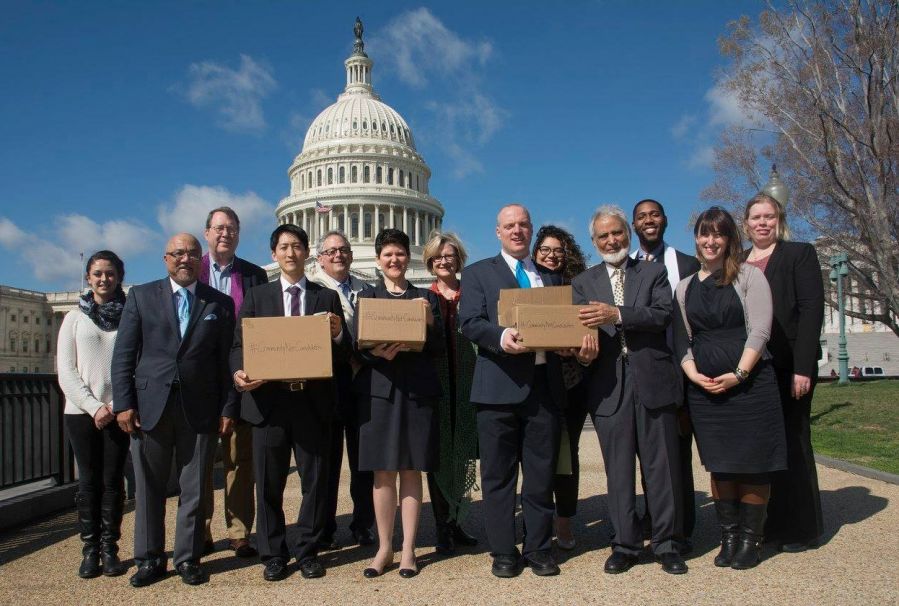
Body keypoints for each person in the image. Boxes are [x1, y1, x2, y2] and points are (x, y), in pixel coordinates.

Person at [459, 204, 597, 578]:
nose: (517, 230)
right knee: (498, 478)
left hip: (544, 390)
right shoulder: (477, 274)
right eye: (510, 225)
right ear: (498, 232)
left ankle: (538, 549)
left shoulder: (550, 280)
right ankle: (504, 552)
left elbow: (565, 327)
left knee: (540, 476)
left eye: (523, 225)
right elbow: (469, 322)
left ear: (530, 230)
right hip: (496, 391)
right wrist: (501, 336)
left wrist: (574, 345)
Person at [112, 233, 239, 587]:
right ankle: (150, 559)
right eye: (178, 253)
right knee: (149, 488)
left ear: (202, 260)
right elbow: (124, 355)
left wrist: (228, 406)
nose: (185, 259)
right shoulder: (140, 296)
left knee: (195, 488)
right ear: (166, 258)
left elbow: (226, 359)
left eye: (192, 254)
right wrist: (124, 403)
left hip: (200, 408)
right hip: (150, 406)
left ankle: (188, 558)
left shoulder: (220, 303)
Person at [573, 205, 687, 575]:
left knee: (662, 468)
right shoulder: (583, 283)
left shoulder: (653, 273)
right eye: (603, 236)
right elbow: (577, 333)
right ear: (594, 242)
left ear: (628, 234)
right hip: (609, 387)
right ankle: (625, 544)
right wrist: (582, 352)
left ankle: (667, 543)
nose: (611, 240)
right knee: (618, 472)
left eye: (617, 233)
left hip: (652, 381)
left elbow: (661, 316)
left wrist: (616, 314)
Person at [231, 224, 349, 581]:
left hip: (311, 400)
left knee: (315, 480)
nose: (290, 253)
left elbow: (341, 353)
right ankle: (273, 552)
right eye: (283, 247)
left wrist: (339, 333)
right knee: (268, 482)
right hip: (270, 402)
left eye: (297, 246)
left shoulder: (324, 297)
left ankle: (308, 549)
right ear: (274, 254)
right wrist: (239, 372)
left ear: (307, 252)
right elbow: (240, 344)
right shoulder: (257, 298)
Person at [672, 207, 787, 570]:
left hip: (750, 387)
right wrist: (692, 374)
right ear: (696, 238)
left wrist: (739, 372)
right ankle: (729, 536)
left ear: (729, 239)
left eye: (718, 234)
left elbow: (760, 330)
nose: (711, 241)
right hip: (705, 391)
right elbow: (683, 339)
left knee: (753, 465)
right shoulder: (684, 287)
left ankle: (751, 540)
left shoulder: (749, 276)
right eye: (705, 234)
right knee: (720, 467)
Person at [354, 228, 445, 578]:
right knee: (382, 473)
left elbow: (438, 348)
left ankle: (408, 548)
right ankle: (384, 547)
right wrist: (377, 353)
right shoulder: (367, 298)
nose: (395, 260)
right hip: (381, 391)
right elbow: (356, 348)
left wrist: (426, 319)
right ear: (378, 260)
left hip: (417, 392)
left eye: (400, 254)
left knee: (411, 469)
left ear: (409, 258)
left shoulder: (426, 298)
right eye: (388, 254)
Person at [743, 193, 825, 552]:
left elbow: (810, 312)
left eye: (769, 216)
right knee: (763, 449)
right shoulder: (738, 262)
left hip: (790, 364)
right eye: (756, 217)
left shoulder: (798, 254)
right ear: (745, 224)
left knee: (794, 444)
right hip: (753, 369)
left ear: (779, 220)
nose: (762, 222)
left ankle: (802, 528)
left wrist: (803, 368)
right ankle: (767, 524)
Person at [630, 198, 701, 552]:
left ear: (665, 220)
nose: (648, 221)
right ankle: (654, 515)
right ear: (634, 226)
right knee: (650, 452)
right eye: (641, 217)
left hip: (681, 367)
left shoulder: (687, 264)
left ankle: (681, 525)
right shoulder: (625, 268)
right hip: (644, 372)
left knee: (677, 453)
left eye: (654, 215)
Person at [199, 206, 269, 559]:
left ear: (239, 234)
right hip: (200, 381)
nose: (225, 234)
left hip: (242, 377)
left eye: (231, 229)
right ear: (207, 233)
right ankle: (199, 530)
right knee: (196, 462)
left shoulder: (256, 276)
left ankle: (239, 531)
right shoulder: (188, 271)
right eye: (219, 228)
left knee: (241, 461)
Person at [58, 250, 130, 579]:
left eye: (110, 273)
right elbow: (66, 371)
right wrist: (94, 406)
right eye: (98, 273)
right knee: (88, 483)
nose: (104, 279)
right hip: (81, 412)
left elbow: (133, 364)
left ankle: (110, 548)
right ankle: (90, 550)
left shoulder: (130, 316)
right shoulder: (74, 318)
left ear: (119, 277)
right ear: (88, 277)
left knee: (113, 482)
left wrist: (115, 405)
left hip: (117, 412)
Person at [310, 230, 376, 549]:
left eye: (344, 250)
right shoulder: (309, 291)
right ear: (319, 257)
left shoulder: (367, 289)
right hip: (327, 387)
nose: (338, 255)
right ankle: (324, 527)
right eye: (331, 251)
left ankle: (363, 523)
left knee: (364, 462)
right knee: (327, 461)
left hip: (363, 384)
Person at [531, 225, 589, 551]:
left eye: (558, 250)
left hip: (571, 381)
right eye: (545, 250)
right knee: (538, 456)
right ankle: (539, 522)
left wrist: (578, 347)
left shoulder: (578, 288)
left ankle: (564, 522)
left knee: (567, 456)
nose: (551, 256)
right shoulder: (526, 286)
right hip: (537, 382)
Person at [421, 231, 479, 555]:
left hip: (468, 383)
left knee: (463, 453)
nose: (444, 261)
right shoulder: (423, 297)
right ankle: (443, 524)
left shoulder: (472, 293)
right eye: (438, 256)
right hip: (437, 387)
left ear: (458, 259)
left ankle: (458, 520)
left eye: (449, 255)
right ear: (430, 261)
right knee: (440, 457)